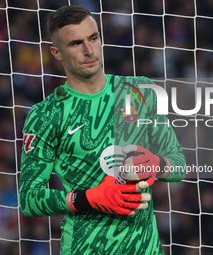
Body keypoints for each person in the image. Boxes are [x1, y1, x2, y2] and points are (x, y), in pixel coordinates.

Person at [19, 5, 186, 255]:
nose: (89, 51)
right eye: (76, 43)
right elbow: (29, 200)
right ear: (57, 52)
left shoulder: (140, 91)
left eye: (93, 38)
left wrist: (156, 163)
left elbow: (179, 166)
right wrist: (88, 198)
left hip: (146, 248)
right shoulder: (46, 115)